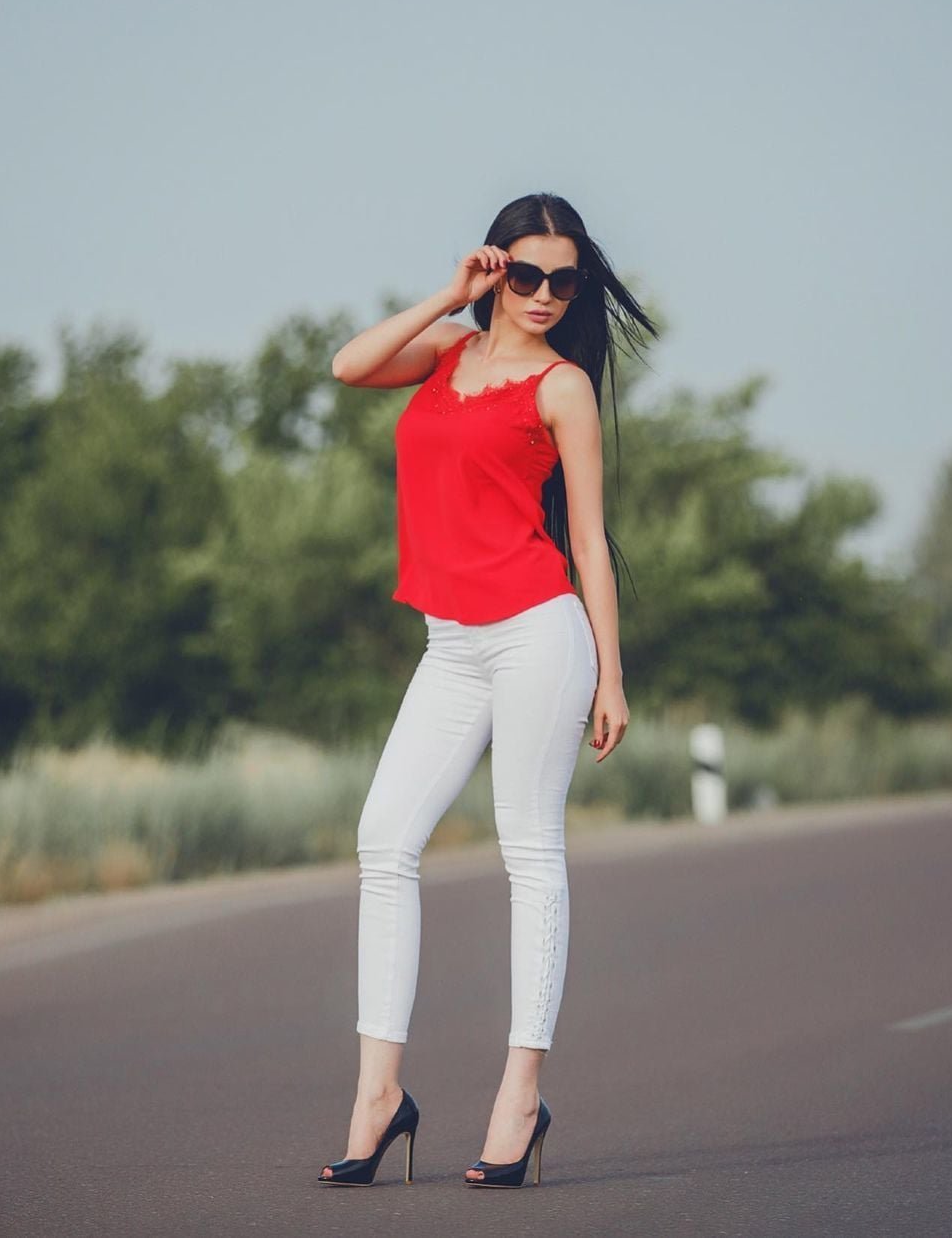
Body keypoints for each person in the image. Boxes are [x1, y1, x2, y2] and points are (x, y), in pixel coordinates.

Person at [318, 191, 658, 1188]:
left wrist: (611, 668)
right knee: (385, 839)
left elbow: (588, 539)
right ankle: (380, 1095)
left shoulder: (561, 389)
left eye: (566, 278)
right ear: (496, 267)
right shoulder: (444, 354)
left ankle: (521, 1093)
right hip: (451, 641)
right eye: (528, 273)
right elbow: (348, 365)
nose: (548, 294)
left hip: (536, 635)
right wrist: (447, 294)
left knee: (529, 849)